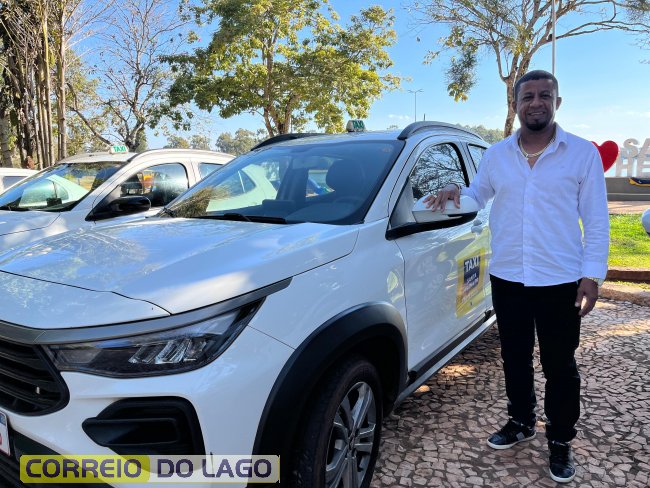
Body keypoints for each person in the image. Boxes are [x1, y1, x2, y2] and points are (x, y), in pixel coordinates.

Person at [424, 70, 609, 484]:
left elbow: (597, 221)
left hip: (560, 279)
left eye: (545, 95)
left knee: (559, 364)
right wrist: (455, 191)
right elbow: (477, 196)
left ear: (557, 102)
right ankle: (521, 421)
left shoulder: (582, 154)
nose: (536, 103)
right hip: (508, 278)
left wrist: (592, 275)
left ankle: (560, 440)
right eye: (528, 97)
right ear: (515, 104)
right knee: (514, 357)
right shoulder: (496, 155)